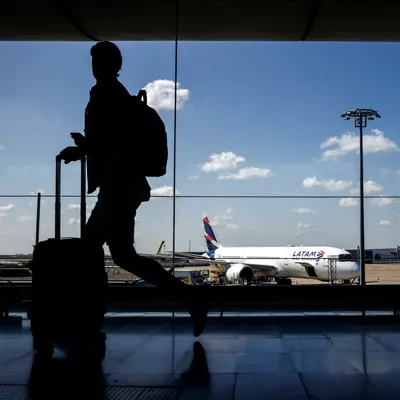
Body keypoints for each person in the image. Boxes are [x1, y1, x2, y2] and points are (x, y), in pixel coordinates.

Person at [59, 41, 209, 337]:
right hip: (119, 185)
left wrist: (84, 148)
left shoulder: (108, 95)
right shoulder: (114, 95)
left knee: (117, 255)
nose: (94, 66)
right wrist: (87, 148)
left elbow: (114, 144)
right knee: (98, 250)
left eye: (97, 60)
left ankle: (189, 297)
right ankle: (91, 313)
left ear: (104, 64)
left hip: (119, 185)